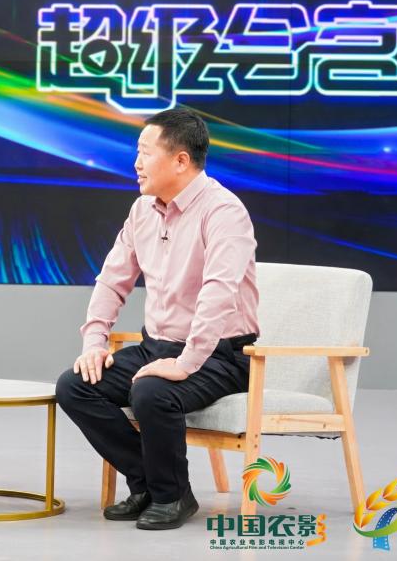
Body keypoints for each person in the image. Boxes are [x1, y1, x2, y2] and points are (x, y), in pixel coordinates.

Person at [55, 107, 260, 530]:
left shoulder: (224, 212)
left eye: (145, 152)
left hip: (221, 356)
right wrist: (94, 342)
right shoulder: (142, 210)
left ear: (181, 160)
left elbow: (218, 294)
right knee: (75, 385)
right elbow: (112, 281)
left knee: (151, 391)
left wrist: (186, 363)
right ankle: (147, 483)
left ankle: (172, 496)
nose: (136, 163)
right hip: (157, 345)